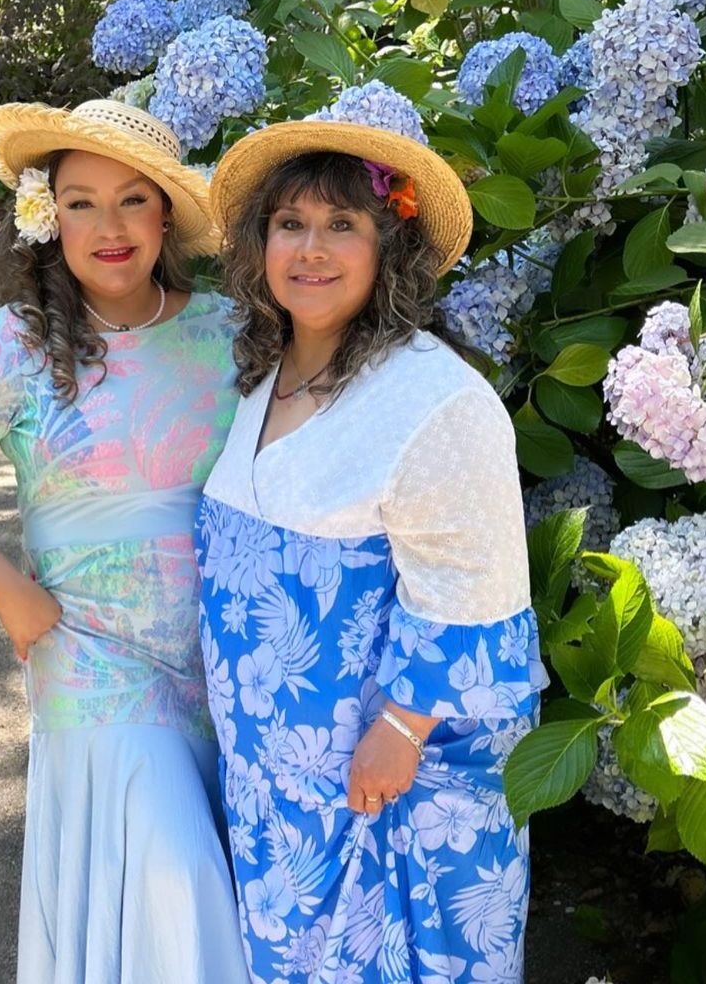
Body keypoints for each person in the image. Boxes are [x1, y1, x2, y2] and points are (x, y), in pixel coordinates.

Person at [0, 100, 249, 983]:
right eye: (81, 202)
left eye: (132, 200)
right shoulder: (14, 344)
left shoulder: (232, 331)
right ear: (48, 218)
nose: (109, 227)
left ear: (166, 213)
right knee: (173, 869)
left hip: (227, 655)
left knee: (216, 880)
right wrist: (15, 598)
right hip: (90, 661)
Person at [193, 118, 549, 982]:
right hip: (278, 792)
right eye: (290, 223)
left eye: (342, 225)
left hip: (388, 784)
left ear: (389, 246)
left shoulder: (435, 399)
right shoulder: (261, 376)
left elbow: (479, 590)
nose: (311, 249)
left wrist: (399, 730)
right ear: (259, 243)